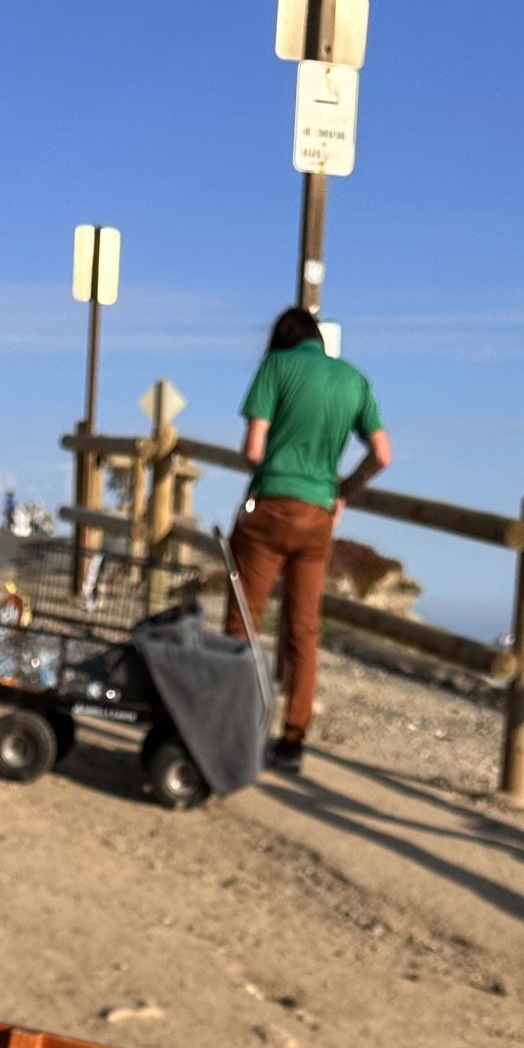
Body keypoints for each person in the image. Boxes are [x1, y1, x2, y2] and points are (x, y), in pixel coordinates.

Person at [223, 307, 390, 776]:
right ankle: (293, 741)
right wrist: (343, 491)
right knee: (303, 631)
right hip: (318, 514)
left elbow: (253, 449)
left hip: (269, 506)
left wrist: (273, 465)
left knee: (244, 618)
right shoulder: (354, 380)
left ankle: (236, 726)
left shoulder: (276, 368)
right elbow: (382, 453)